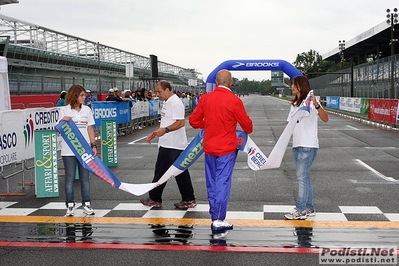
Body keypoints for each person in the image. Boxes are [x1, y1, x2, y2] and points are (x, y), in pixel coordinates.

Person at [189, 69, 253, 232]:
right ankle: (218, 218)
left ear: (216, 82)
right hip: (226, 149)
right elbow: (248, 127)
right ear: (230, 82)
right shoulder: (234, 100)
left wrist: (210, 123)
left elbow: (193, 121)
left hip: (209, 147)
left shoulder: (206, 98)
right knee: (222, 182)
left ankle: (214, 215)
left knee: (212, 183)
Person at [140, 80, 196, 210]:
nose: (157, 94)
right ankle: (188, 198)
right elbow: (166, 123)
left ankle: (155, 198)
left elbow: (181, 123)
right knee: (178, 172)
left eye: (159, 91)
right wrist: (155, 134)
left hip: (173, 145)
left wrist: (165, 130)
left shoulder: (175, 102)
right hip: (169, 143)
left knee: (162, 172)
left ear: (167, 90)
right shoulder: (167, 102)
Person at [284, 76, 329, 220]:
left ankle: (301, 209)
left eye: (294, 85)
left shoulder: (310, 101)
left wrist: (316, 104)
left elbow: (325, 118)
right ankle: (309, 207)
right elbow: (289, 125)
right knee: (305, 177)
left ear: (300, 86)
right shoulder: (294, 104)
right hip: (297, 144)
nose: (291, 87)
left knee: (301, 178)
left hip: (308, 145)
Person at [58, 84, 97, 216]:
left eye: (85, 96)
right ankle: (70, 205)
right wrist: (62, 121)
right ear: (74, 96)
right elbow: (57, 129)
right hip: (68, 150)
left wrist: (93, 145)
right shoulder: (64, 110)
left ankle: (87, 203)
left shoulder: (87, 110)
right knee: (69, 178)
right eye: (82, 95)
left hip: (84, 149)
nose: (84, 98)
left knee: (85, 178)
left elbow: (90, 128)